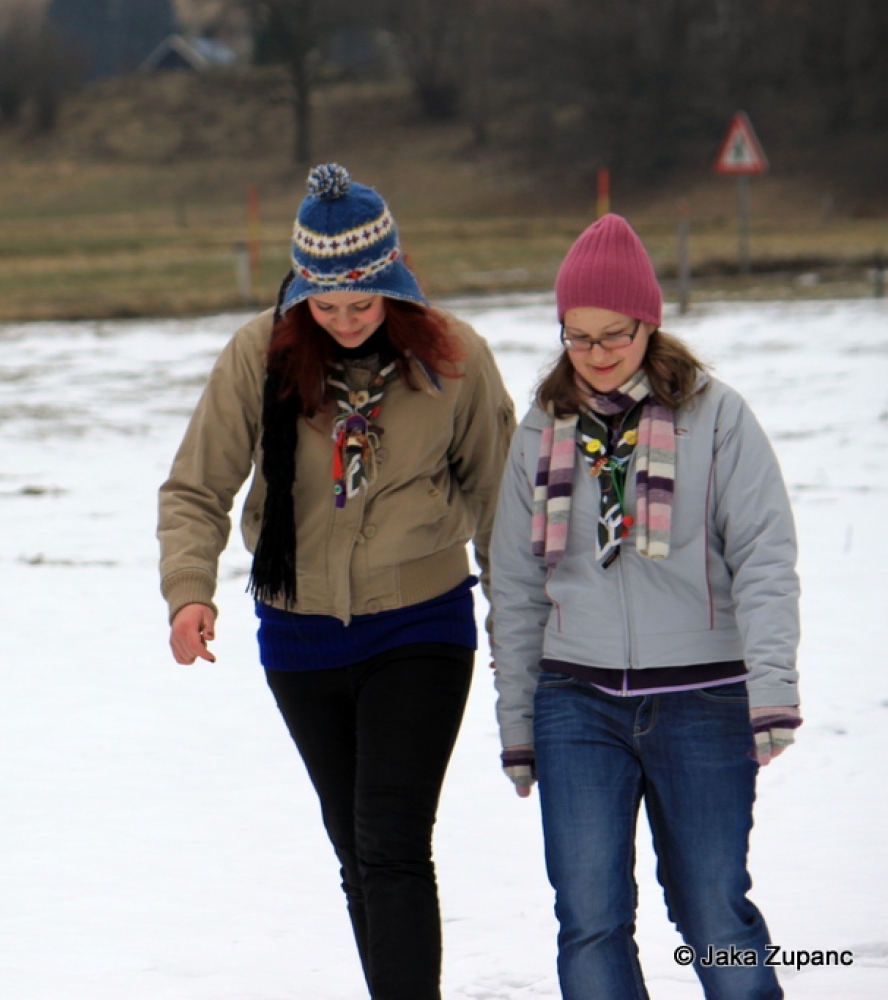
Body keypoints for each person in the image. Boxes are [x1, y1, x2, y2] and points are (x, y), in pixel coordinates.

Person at [158, 163, 515, 998]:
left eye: (364, 303)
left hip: (421, 624)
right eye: (326, 306)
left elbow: (501, 500)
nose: (348, 322)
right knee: (356, 848)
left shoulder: (454, 359)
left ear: (394, 283)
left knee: (390, 841)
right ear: (300, 297)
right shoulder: (260, 355)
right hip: (300, 633)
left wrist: (516, 627)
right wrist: (190, 592)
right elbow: (197, 487)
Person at [490, 214, 800, 1000]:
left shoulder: (716, 417)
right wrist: (519, 723)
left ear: (649, 324)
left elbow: (764, 557)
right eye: (577, 337)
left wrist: (771, 689)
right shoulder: (540, 429)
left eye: (613, 337)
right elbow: (517, 588)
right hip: (576, 703)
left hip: (702, 698)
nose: (594, 356)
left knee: (713, 915)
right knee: (589, 919)